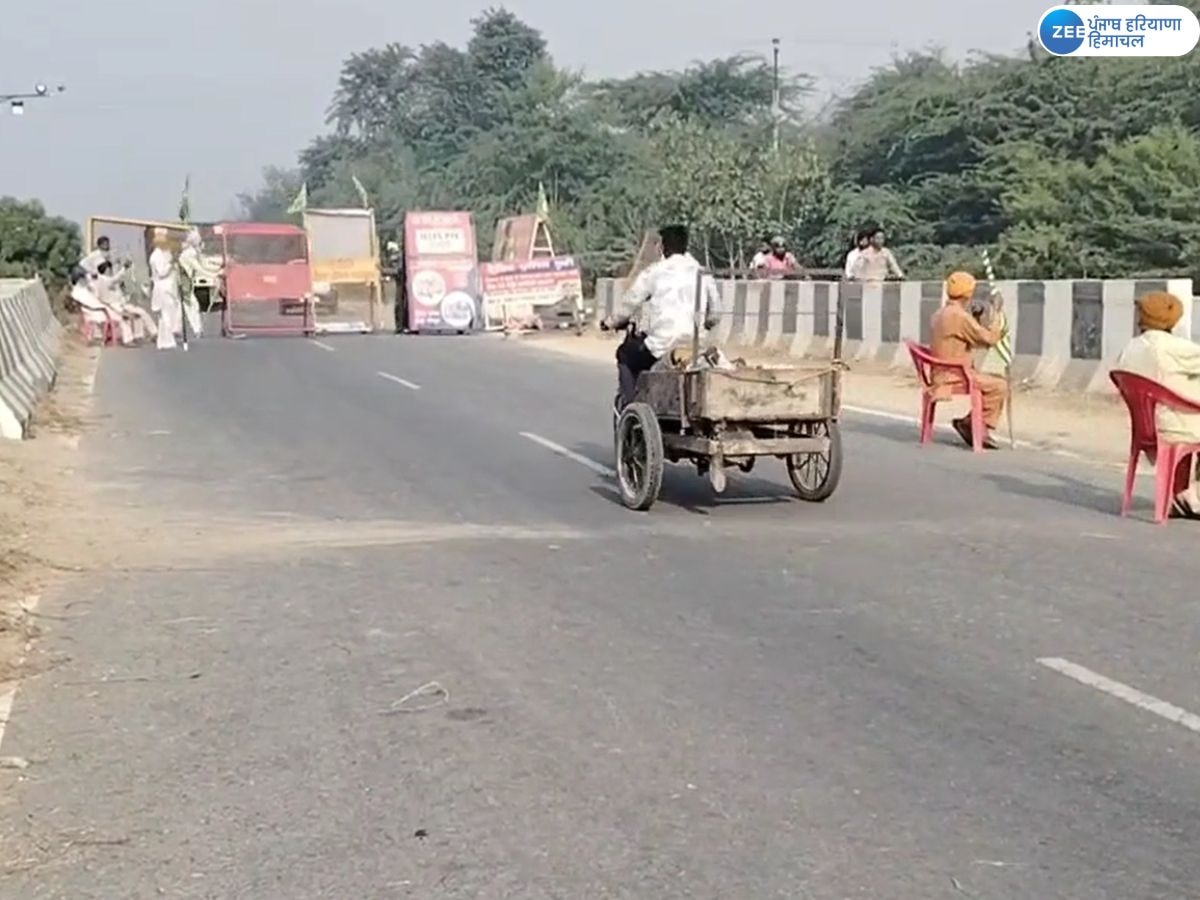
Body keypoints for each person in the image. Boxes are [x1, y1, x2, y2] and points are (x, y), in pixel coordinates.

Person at [604, 224, 721, 409]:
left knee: (624, 354)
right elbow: (715, 314)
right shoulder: (702, 272)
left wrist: (610, 322)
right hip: (695, 345)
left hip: (662, 345)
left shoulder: (655, 272)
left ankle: (630, 408)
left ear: (663, 247)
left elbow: (629, 304)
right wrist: (705, 323)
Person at [1114, 292, 1200, 517]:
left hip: (1147, 427)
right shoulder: (1175, 348)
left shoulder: (1130, 349)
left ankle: (1180, 495)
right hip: (1173, 425)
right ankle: (1193, 496)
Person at [928, 271, 1006, 450]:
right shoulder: (959, 317)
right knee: (999, 386)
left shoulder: (941, 314)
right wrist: (997, 314)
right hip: (955, 376)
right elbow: (989, 340)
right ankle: (975, 424)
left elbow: (968, 336)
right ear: (968, 293)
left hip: (940, 374)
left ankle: (970, 423)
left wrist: (976, 318)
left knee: (992, 381)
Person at [96, 260, 157, 341]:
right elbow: (116, 278)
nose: (111, 271)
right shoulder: (103, 280)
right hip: (114, 307)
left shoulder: (104, 279)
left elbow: (118, 289)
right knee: (135, 314)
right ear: (106, 270)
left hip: (120, 304)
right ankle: (146, 334)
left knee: (140, 312)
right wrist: (124, 268)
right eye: (109, 269)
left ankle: (141, 335)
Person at [70, 267, 133, 345]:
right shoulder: (80, 292)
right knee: (122, 319)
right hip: (98, 312)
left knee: (121, 315)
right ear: (80, 279)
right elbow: (94, 303)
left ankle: (100, 336)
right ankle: (128, 340)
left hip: (94, 312)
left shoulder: (79, 290)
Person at [149, 229, 183, 350]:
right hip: (163, 288)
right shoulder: (156, 256)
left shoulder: (165, 253)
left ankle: (168, 338)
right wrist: (171, 263)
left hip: (170, 286)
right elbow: (162, 272)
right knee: (166, 315)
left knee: (171, 313)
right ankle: (166, 340)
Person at [177, 229, 212, 338]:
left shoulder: (193, 252)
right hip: (183, 283)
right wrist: (214, 274)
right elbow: (199, 267)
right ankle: (196, 329)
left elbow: (204, 264)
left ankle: (178, 329)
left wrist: (216, 270)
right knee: (191, 305)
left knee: (183, 306)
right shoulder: (189, 254)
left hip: (185, 282)